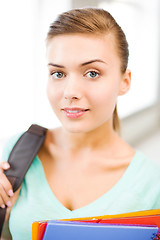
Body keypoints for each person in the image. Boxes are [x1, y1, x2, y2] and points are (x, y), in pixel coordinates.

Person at [0, 8, 160, 240]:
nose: (70, 92)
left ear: (124, 81)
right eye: (58, 73)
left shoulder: (152, 184)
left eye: (92, 73)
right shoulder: (16, 153)